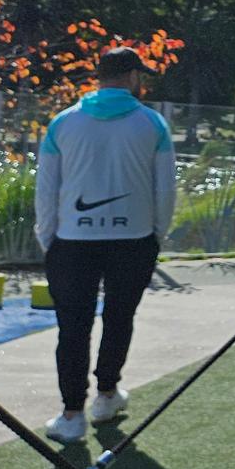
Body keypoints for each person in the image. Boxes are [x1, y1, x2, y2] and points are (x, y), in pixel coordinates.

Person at [32, 47, 176, 442]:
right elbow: (165, 190)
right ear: (132, 77)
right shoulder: (152, 124)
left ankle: (72, 415)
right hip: (133, 240)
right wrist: (156, 233)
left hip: (72, 242)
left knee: (72, 328)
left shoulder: (63, 123)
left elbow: (46, 189)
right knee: (119, 319)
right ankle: (107, 394)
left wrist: (49, 237)